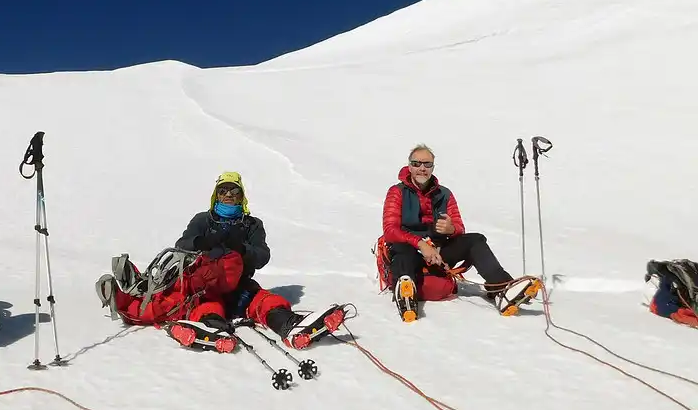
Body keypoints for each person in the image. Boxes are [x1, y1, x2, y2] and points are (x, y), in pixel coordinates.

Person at [95, 171, 346, 350]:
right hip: (205, 287)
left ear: (241, 196)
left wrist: (242, 249)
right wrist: (202, 244)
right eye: (223, 190)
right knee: (209, 306)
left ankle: (288, 325)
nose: (228, 195)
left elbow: (262, 256)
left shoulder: (252, 225)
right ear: (216, 194)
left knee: (264, 302)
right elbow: (183, 245)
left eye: (233, 191)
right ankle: (212, 330)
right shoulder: (203, 220)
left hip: (240, 286)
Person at [380, 145, 541, 321]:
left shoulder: (445, 194)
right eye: (416, 163)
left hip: (438, 253)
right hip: (409, 250)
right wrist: (421, 244)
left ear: (433, 167)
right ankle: (405, 292)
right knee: (403, 250)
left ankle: (502, 288)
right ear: (409, 166)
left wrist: (451, 229)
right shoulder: (397, 192)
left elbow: (459, 227)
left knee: (475, 240)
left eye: (427, 164)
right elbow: (390, 230)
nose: (422, 168)